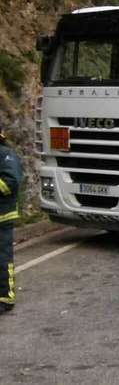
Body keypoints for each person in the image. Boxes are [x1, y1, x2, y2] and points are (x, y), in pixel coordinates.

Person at [0, 124, 23, 315]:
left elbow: (10, 183)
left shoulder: (6, 155)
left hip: (2, 216)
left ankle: (6, 297)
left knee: (2, 258)